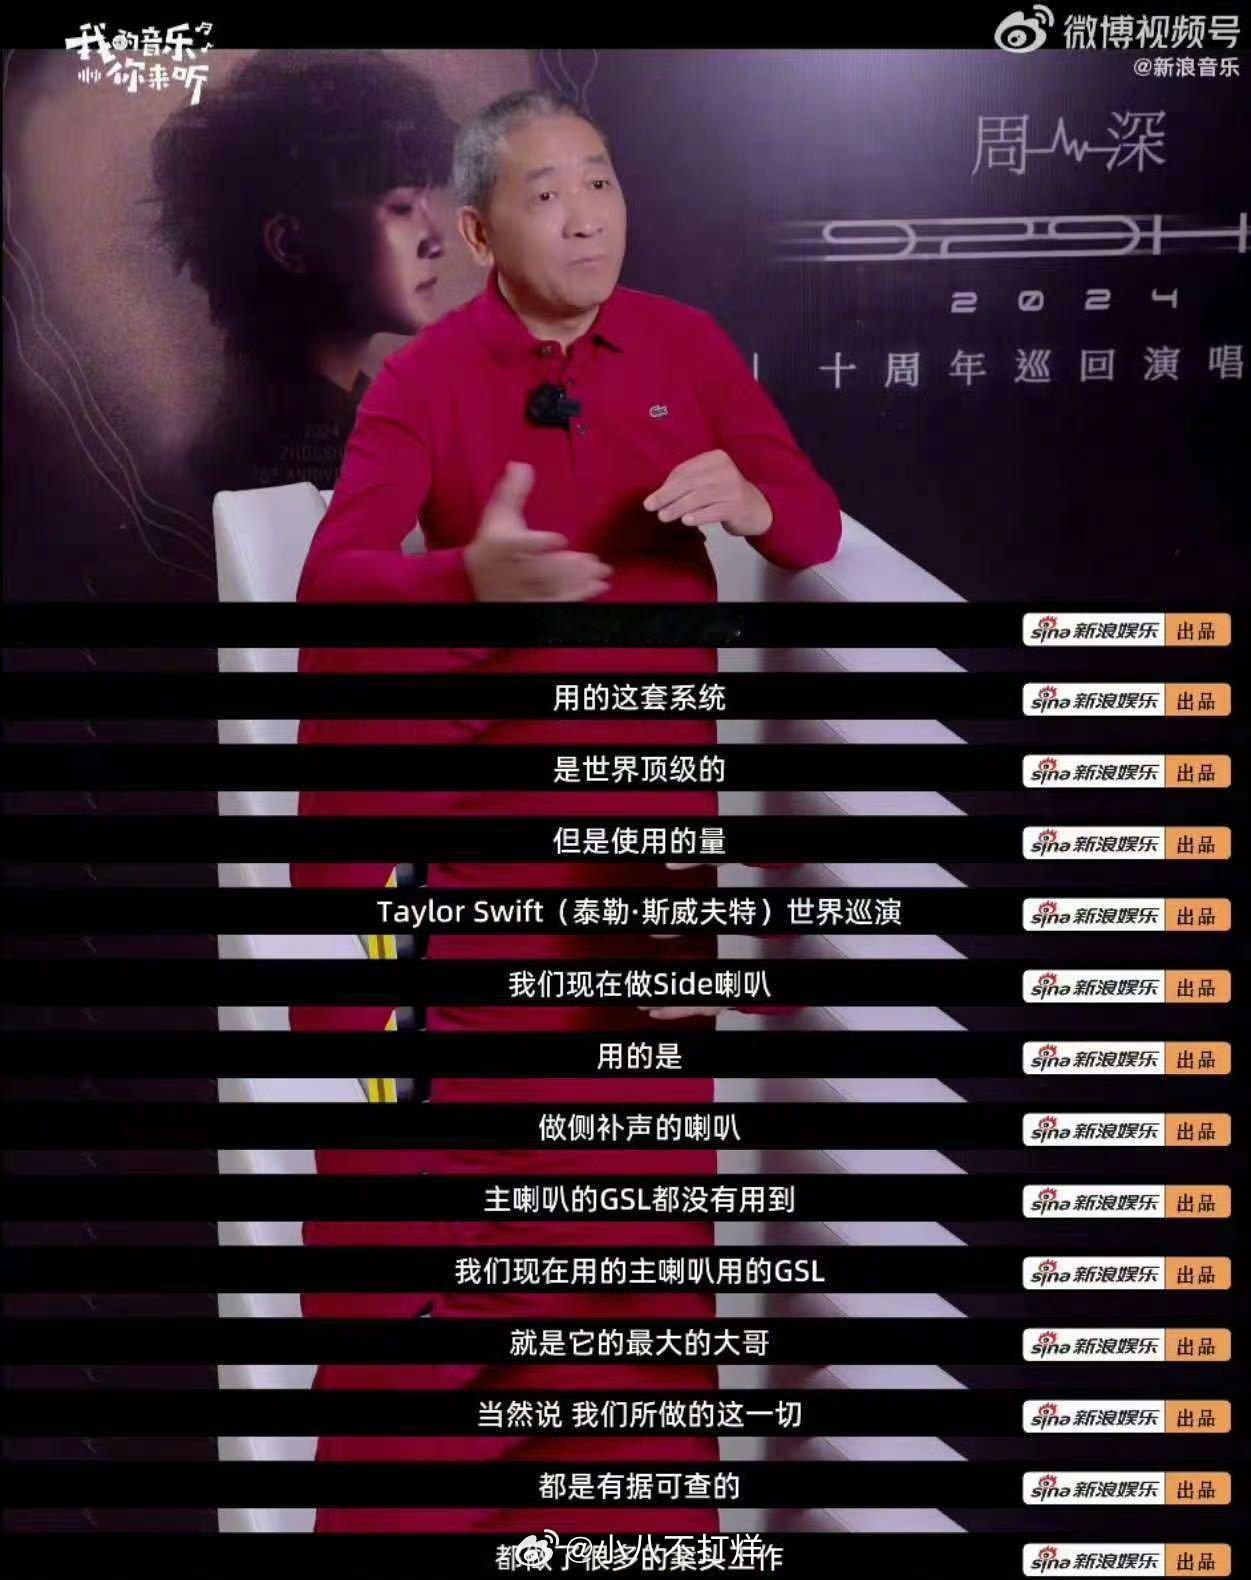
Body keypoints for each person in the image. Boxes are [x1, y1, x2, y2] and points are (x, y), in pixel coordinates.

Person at [291, 88, 843, 1535]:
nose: (588, 217)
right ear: (479, 234)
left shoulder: (689, 345)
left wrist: (750, 494)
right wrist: (469, 578)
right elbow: (334, 580)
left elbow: (813, 521)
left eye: (600, 182)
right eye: (548, 195)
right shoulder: (423, 380)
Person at [150, 50, 456, 498]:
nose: (436, 240)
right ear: (290, 244)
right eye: (402, 208)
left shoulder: (365, 415)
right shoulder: (272, 454)